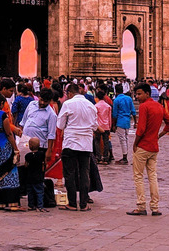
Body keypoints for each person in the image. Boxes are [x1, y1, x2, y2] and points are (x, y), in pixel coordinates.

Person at [127, 82, 169, 216]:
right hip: (154, 147)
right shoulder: (159, 106)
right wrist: (159, 136)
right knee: (152, 176)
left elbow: (141, 129)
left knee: (138, 176)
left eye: (140, 94)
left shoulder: (144, 106)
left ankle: (141, 206)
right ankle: (155, 207)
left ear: (147, 93)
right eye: (136, 94)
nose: (137, 96)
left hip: (143, 146)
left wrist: (135, 143)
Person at [56, 83, 97, 212]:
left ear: (69, 93)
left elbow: (60, 124)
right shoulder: (91, 106)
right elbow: (95, 126)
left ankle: (72, 203)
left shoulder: (68, 104)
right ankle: (84, 203)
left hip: (71, 143)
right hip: (86, 144)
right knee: (84, 173)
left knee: (70, 174)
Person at [111, 84, 136, 164]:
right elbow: (133, 111)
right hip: (127, 121)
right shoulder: (128, 98)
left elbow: (115, 114)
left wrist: (113, 125)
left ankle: (125, 157)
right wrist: (135, 122)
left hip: (120, 121)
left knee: (122, 139)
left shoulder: (116, 100)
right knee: (125, 138)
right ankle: (125, 155)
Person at [25, 136, 47, 211]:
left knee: (30, 192)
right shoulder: (41, 154)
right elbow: (44, 163)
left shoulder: (27, 156)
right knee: (39, 192)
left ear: (30, 146)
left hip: (29, 177)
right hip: (38, 176)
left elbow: (26, 165)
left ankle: (31, 205)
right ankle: (40, 206)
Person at [93, 86, 113, 164]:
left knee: (97, 142)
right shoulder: (108, 106)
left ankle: (98, 157)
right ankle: (105, 158)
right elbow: (109, 118)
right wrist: (110, 127)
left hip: (98, 126)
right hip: (106, 126)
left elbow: (95, 117)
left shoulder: (96, 106)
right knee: (106, 142)